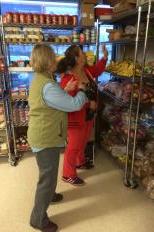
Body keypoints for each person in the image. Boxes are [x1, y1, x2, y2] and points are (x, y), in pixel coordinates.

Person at [28, 44, 88, 232]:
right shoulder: (47, 85)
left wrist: (66, 88)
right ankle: (38, 219)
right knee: (47, 178)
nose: (56, 60)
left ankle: (50, 194)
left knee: (48, 173)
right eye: (53, 57)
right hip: (46, 138)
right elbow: (73, 105)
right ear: (47, 61)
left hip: (43, 134)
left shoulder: (42, 79)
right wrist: (82, 90)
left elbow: (53, 96)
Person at [57, 44, 108, 186]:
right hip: (75, 118)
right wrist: (87, 102)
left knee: (83, 140)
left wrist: (105, 57)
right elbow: (66, 100)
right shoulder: (68, 77)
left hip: (88, 115)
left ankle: (80, 162)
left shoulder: (86, 70)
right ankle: (68, 174)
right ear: (76, 58)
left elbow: (97, 70)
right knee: (73, 146)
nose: (85, 55)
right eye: (82, 53)